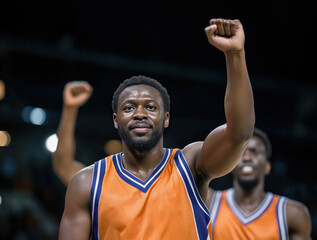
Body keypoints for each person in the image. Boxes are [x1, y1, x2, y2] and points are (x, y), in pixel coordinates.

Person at [58, 18, 255, 240]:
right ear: (115, 120)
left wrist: (235, 55)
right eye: (129, 107)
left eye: (151, 107)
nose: (140, 114)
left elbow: (239, 134)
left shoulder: (190, 164)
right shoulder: (87, 182)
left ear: (166, 118)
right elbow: (63, 165)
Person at [206, 127, 312, 239]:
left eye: (254, 152)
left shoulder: (292, 214)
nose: (247, 158)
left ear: (267, 167)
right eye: (241, 153)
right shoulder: (209, 202)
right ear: (231, 164)